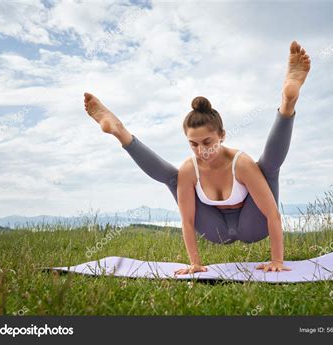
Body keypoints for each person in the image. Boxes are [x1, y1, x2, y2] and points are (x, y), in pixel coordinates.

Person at [83, 40, 311, 275]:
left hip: (254, 226)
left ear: (221, 136)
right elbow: (188, 221)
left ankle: (287, 103)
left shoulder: (240, 163)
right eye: (193, 144)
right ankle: (120, 132)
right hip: (216, 231)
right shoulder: (190, 169)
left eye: (207, 142)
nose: (201, 151)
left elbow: (272, 214)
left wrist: (277, 260)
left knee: (267, 168)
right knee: (174, 178)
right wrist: (194, 263)